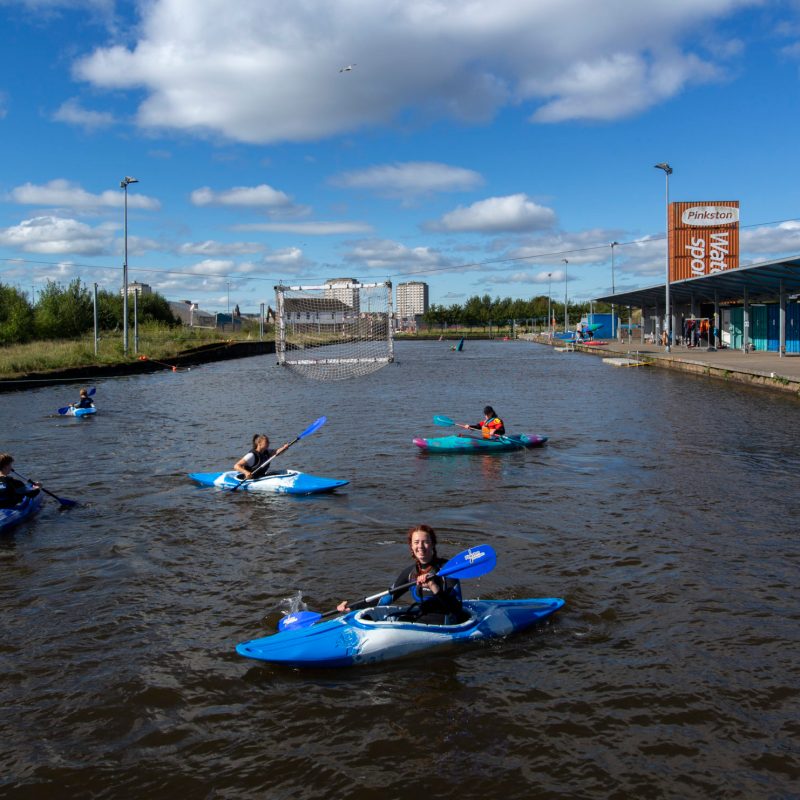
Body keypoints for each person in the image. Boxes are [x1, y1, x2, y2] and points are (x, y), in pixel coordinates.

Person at [337, 524, 463, 625]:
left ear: (433, 544)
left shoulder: (447, 568)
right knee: (374, 617)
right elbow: (386, 598)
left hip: (444, 621)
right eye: (416, 542)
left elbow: (456, 609)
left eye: (425, 542)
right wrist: (352, 607)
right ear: (411, 546)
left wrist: (434, 586)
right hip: (421, 617)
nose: (420, 546)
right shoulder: (410, 573)